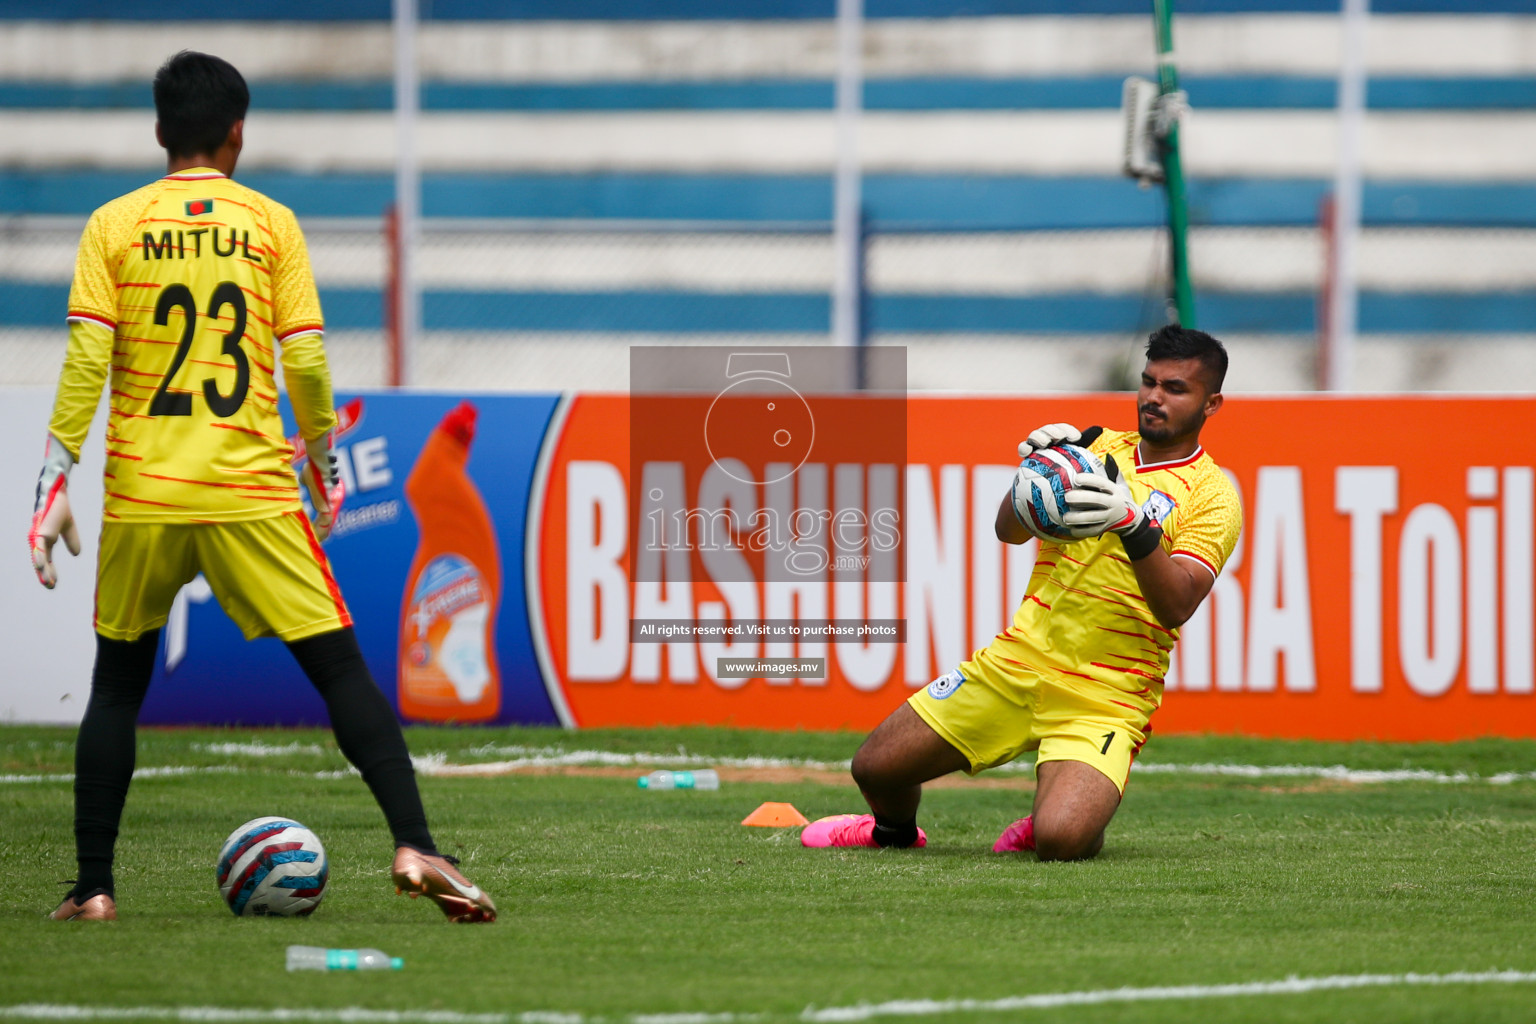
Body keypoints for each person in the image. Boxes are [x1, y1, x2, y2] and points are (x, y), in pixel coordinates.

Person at [29, 51, 496, 923]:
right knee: (340, 671)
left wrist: (53, 477)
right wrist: (319, 460)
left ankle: (94, 887)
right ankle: (416, 844)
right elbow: (307, 359)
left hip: (145, 493)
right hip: (250, 490)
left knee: (116, 689)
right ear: (238, 131)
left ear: (160, 131)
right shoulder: (271, 223)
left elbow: (89, 357)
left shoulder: (112, 225)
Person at [802, 325, 1241, 859]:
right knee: (873, 768)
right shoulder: (1093, 447)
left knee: (1061, 841)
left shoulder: (1215, 497)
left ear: (1211, 402)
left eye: (1175, 388)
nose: (1153, 397)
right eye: (1148, 382)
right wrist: (1033, 477)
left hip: (1106, 695)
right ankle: (892, 832)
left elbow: (1177, 605)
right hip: (1016, 663)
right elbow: (1007, 530)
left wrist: (1133, 524)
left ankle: (1056, 817)